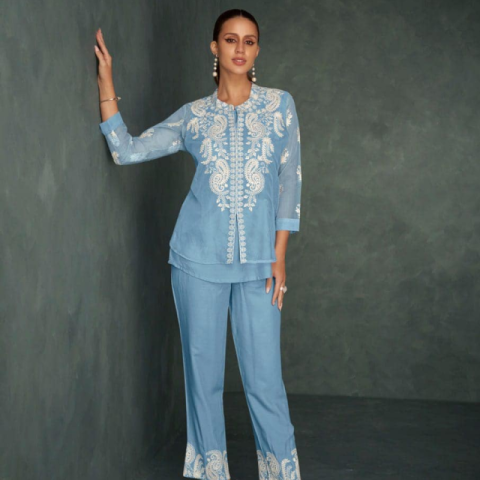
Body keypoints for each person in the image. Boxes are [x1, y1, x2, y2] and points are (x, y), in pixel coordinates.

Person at [95, 8, 302, 480]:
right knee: (202, 384)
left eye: (249, 41)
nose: (240, 49)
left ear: (257, 50)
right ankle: (210, 473)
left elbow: (290, 180)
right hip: (195, 261)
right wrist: (107, 81)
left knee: (265, 383)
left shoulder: (280, 106)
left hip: (260, 265)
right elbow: (126, 150)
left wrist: (280, 256)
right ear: (215, 47)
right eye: (230, 39)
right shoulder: (194, 116)